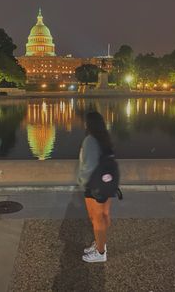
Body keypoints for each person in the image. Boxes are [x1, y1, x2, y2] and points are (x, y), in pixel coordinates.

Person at [77, 111, 114, 263]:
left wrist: (82, 181)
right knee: (104, 215)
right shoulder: (105, 139)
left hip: (94, 184)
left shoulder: (90, 140)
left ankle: (100, 253)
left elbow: (89, 167)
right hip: (108, 183)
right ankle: (101, 244)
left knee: (96, 218)